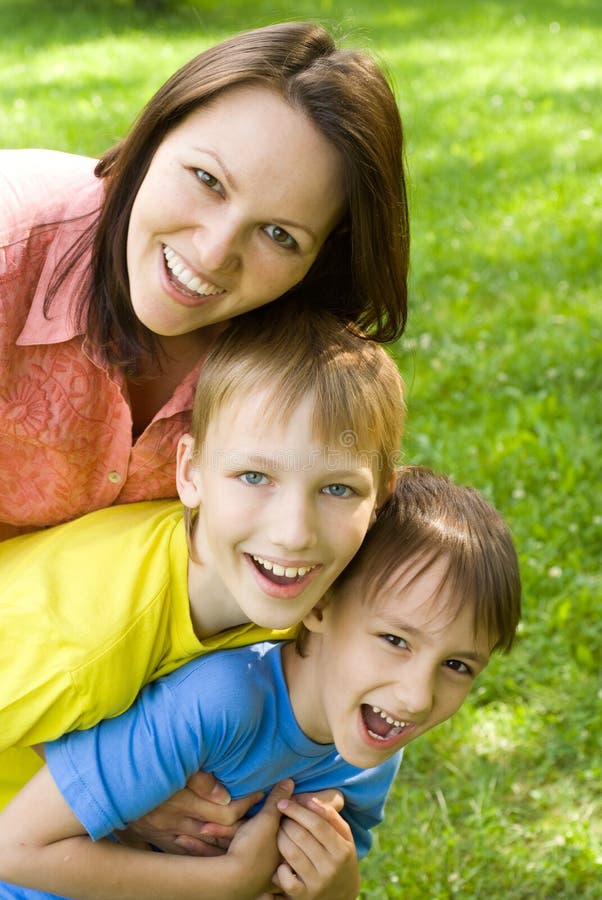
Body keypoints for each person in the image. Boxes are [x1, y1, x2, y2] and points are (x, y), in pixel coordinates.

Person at [0, 466, 522, 899]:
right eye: (394, 640)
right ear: (318, 604)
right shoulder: (219, 703)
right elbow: (14, 850)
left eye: (457, 666)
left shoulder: (374, 747)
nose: (416, 696)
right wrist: (223, 883)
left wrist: (337, 889)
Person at [0, 20, 409, 542]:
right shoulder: (8, 243)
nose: (215, 252)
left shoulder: (306, 365)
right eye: (208, 180)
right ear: (154, 135)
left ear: (324, 255)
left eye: (279, 234)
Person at [0, 301, 405, 825]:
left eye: (336, 488)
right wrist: (127, 802)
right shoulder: (82, 645)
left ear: (380, 500)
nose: (294, 532)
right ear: (189, 473)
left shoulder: (317, 590)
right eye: (255, 477)